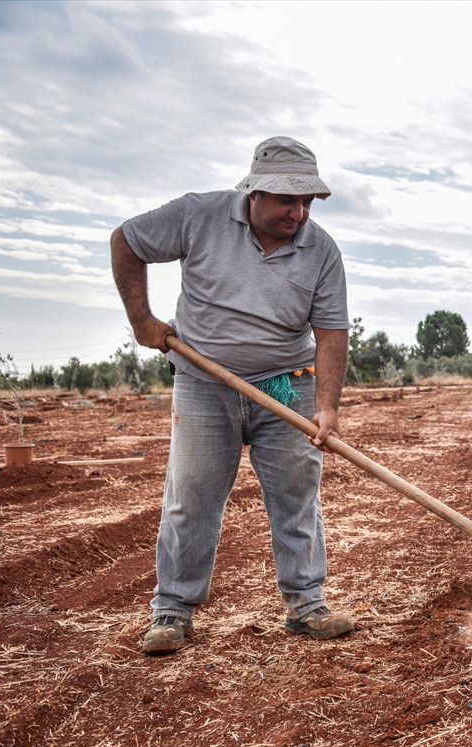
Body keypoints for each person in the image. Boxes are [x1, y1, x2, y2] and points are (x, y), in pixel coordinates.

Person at [111, 136, 353, 655]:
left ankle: (306, 602)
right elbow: (126, 241)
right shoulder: (199, 215)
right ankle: (172, 609)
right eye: (289, 200)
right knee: (191, 495)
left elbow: (332, 333)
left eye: (308, 201)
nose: (300, 212)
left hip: (288, 384)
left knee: (297, 495)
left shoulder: (322, 250)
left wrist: (328, 407)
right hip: (203, 381)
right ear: (255, 192)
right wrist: (143, 322)